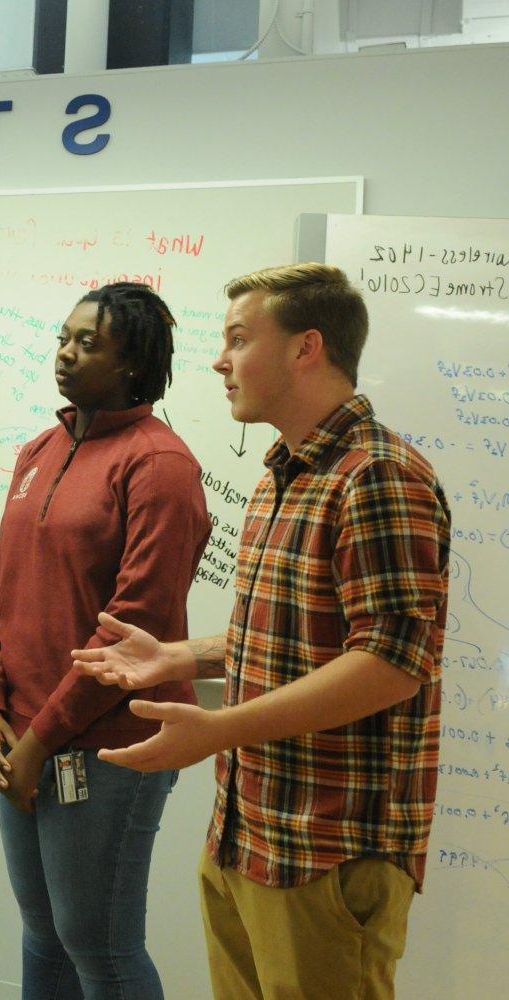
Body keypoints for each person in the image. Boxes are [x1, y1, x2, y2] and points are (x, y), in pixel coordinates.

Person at [74, 264, 450, 1000]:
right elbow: (301, 637)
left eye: (239, 339)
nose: (218, 360)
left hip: (329, 849)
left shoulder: (377, 474)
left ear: (306, 347)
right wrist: (177, 656)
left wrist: (217, 730)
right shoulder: (285, 471)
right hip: (250, 834)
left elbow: (390, 664)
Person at [0, 282, 210, 999]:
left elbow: (130, 623)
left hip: (107, 746)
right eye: (63, 339)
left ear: (133, 363)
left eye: (88, 343)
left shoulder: (159, 464)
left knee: (101, 949)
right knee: (44, 938)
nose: (66, 355)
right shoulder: (40, 448)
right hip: (23, 737)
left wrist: (40, 738)